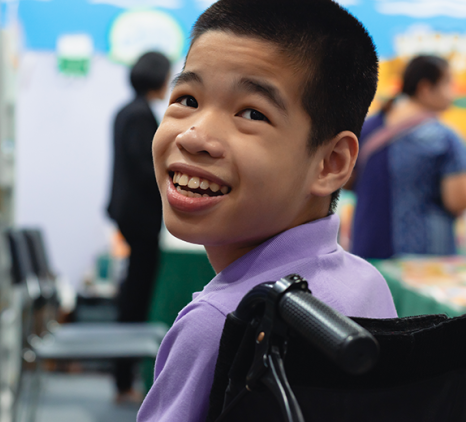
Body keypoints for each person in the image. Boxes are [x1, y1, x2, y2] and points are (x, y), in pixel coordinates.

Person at [136, 1, 398, 421]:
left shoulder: (220, 324)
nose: (195, 135)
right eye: (186, 98)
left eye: (252, 113)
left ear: (330, 163)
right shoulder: (366, 283)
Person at [350, 55, 466, 259]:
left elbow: (347, 180)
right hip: (425, 259)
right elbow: (456, 201)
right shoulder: (443, 138)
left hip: (368, 247)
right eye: (448, 82)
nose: (453, 92)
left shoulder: (367, 127)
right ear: (425, 88)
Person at [106, 51, 170, 403]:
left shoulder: (126, 112)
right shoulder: (139, 116)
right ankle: (122, 381)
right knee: (135, 300)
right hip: (140, 218)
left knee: (133, 296)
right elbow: (146, 169)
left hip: (133, 216)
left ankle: (124, 379)